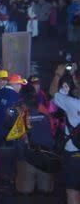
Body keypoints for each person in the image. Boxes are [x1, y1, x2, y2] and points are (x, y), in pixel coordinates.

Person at [15, 85, 55, 195]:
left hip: (27, 156)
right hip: (46, 155)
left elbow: (14, 132)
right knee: (45, 192)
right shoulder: (44, 110)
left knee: (24, 191)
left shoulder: (20, 112)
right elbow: (52, 130)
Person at [52, 75, 80, 204]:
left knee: (73, 191)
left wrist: (60, 79)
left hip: (74, 155)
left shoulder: (72, 103)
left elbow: (55, 95)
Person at [0, 74, 26, 146]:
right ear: (15, 84)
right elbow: (14, 115)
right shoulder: (16, 96)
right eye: (19, 85)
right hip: (8, 132)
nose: (20, 87)